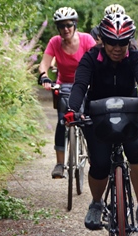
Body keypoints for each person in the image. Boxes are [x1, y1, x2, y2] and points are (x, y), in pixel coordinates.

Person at [64, 13, 138, 230]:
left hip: (129, 113)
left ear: (129, 41)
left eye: (122, 42)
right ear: (102, 39)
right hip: (97, 116)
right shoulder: (91, 58)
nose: (117, 47)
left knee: (137, 152)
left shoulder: (134, 57)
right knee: (101, 163)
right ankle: (96, 204)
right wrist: (72, 110)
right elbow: (80, 85)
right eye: (112, 42)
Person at [38, 7, 96, 178]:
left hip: (85, 84)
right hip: (64, 86)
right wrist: (44, 77)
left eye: (69, 25)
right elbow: (44, 63)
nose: (65, 29)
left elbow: (97, 60)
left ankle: (94, 156)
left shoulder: (86, 40)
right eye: (61, 26)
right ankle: (59, 164)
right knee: (63, 121)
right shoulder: (55, 42)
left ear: (75, 24)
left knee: (86, 120)